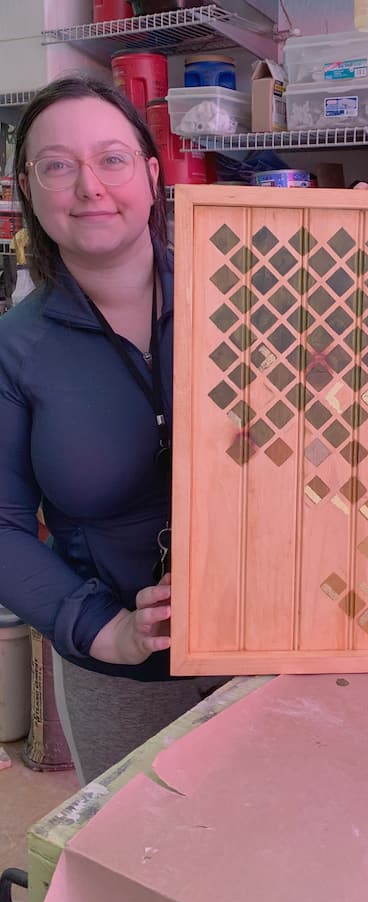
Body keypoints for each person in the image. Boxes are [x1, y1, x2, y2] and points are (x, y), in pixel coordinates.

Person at [0, 76, 226, 784]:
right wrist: (105, 629)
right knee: (142, 846)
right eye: (57, 165)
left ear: (153, 176)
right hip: (121, 675)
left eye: (112, 159)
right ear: (27, 189)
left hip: (271, 652)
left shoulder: (245, 294)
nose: (89, 187)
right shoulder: (15, 350)